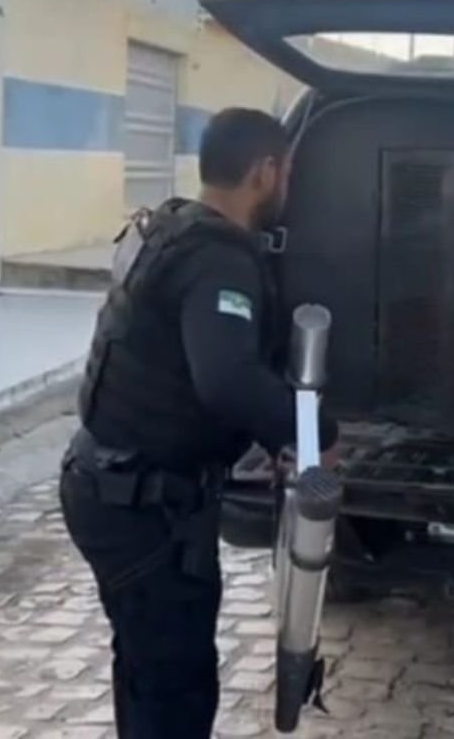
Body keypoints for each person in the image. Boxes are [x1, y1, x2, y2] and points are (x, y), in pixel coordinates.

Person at [59, 107, 338, 738]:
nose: (288, 187)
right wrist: (317, 435)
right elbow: (227, 379)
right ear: (265, 172)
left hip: (112, 484)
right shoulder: (219, 260)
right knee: (173, 685)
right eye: (288, 173)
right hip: (140, 506)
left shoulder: (172, 226)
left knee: (149, 667)